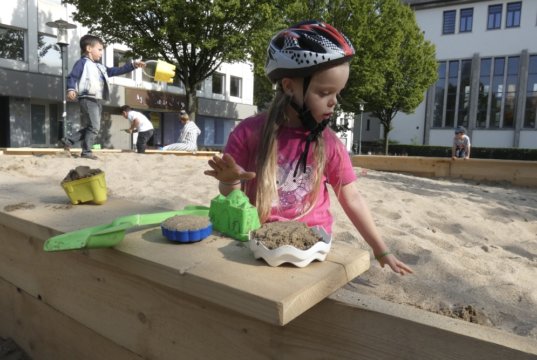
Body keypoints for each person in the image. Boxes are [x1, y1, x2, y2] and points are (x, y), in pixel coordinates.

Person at [204, 20, 412, 275]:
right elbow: (230, 196)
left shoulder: (330, 144)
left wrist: (381, 249)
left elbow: (352, 197)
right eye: (324, 92)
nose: (334, 102)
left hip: (313, 249)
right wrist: (228, 182)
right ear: (289, 86)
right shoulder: (249, 133)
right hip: (260, 244)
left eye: (338, 93)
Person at [60, 34, 145, 159]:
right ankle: (86, 152)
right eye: (99, 49)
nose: (101, 52)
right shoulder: (82, 63)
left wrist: (133, 65)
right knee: (94, 127)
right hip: (87, 97)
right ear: (89, 48)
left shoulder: (100, 67)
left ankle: (69, 141)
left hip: (97, 99)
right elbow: (73, 76)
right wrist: (71, 89)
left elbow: (115, 71)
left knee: (92, 127)